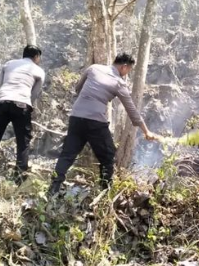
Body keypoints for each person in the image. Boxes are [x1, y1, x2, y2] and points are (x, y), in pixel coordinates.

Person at [48, 52, 156, 195]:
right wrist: (146, 131)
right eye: (128, 70)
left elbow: (78, 88)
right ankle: (105, 192)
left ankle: (52, 190)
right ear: (124, 67)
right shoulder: (119, 82)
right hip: (95, 121)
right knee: (108, 155)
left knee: (67, 154)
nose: (127, 73)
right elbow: (132, 111)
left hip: (76, 116)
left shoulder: (94, 68)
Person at [0, 45, 45, 186]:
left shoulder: (9, 64)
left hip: (2, 102)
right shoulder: (39, 71)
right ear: (36, 57)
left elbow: (0, 86)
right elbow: (34, 95)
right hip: (22, 104)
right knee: (23, 145)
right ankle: (19, 183)